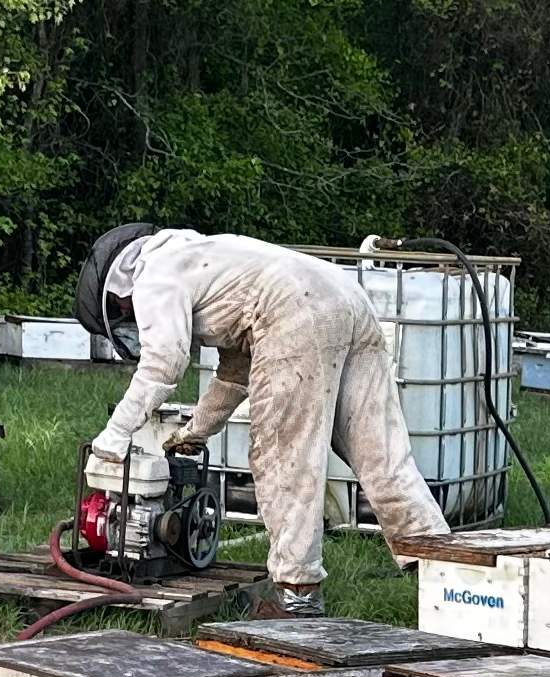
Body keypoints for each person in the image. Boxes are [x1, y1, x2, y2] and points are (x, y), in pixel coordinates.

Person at [82, 227, 448, 614]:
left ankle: (297, 595)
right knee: (382, 454)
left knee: (283, 455)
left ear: (117, 291)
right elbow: (235, 373)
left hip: (295, 308)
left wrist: (115, 434)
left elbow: (162, 364)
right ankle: (446, 572)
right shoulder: (204, 257)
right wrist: (194, 433)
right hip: (346, 296)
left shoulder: (153, 276)